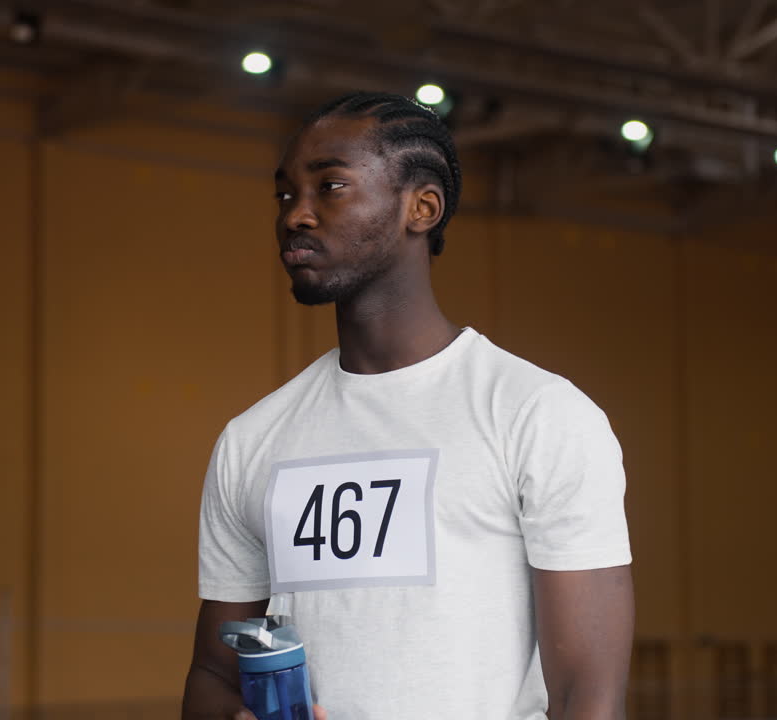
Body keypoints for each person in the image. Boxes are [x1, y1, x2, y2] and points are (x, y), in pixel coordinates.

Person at [182, 91, 634, 720]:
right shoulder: (253, 439)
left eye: (330, 187)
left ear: (421, 208)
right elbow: (213, 674)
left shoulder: (538, 415)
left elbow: (589, 694)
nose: (296, 217)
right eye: (285, 195)